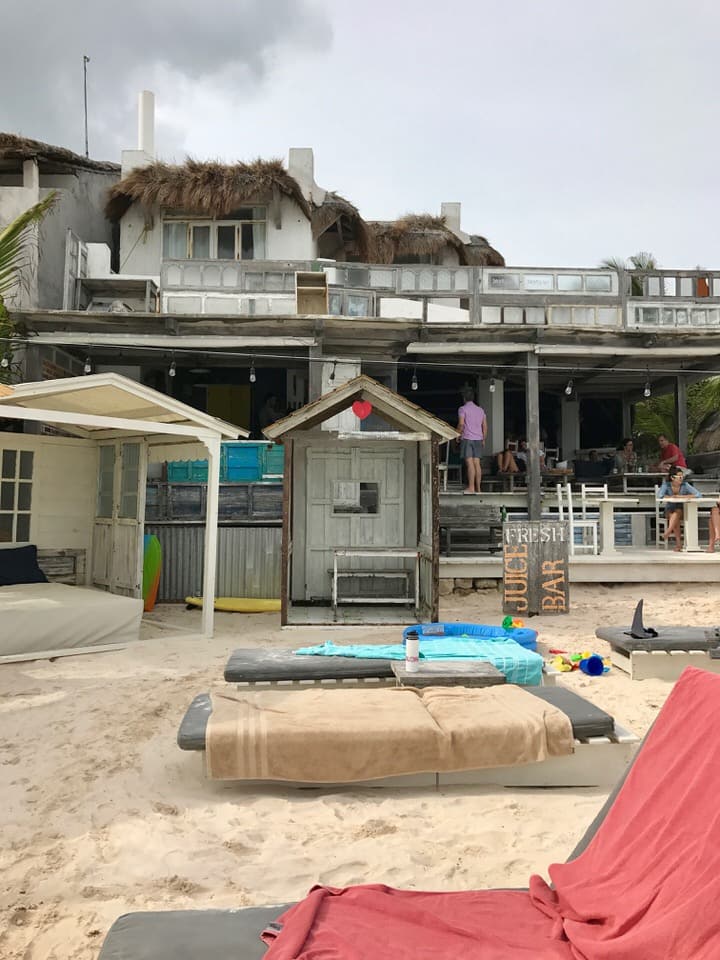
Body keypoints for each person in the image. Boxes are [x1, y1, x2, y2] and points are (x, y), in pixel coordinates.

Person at [656, 465, 701, 552]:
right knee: (674, 515)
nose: (681, 478)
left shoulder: (685, 485)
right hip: (669, 509)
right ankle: (677, 543)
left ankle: (670, 533)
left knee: (677, 512)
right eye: (679, 477)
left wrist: (681, 496)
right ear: (672, 478)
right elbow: (660, 496)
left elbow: (698, 494)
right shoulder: (666, 485)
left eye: (682, 476)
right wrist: (671, 497)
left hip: (682, 510)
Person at [456, 387, 487, 494]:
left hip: (468, 438)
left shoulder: (462, 409)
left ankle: (471, 488)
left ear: (464, 398)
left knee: (470, 463)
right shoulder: (480, 410)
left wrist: (457, 434)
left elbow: (461, 424)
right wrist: (483, 439)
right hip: (478, 439)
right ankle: (478, 488)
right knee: (477, 463)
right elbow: (485, 426)